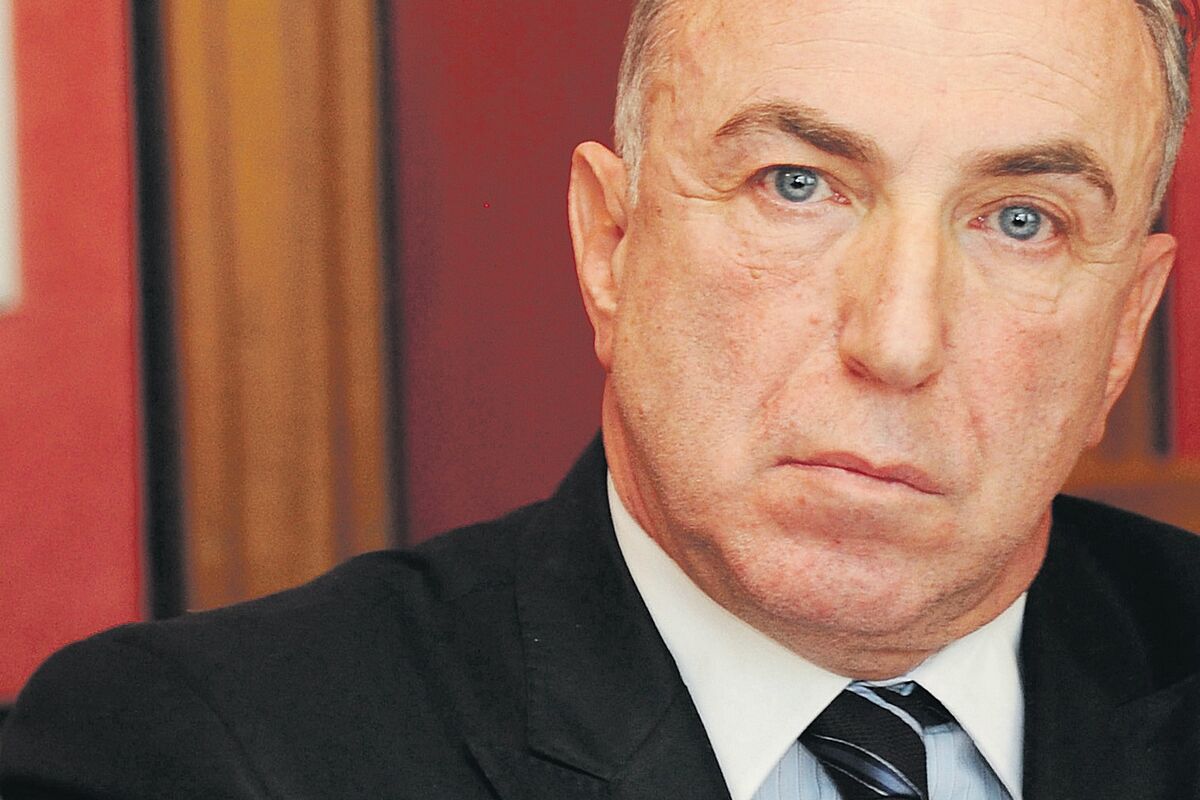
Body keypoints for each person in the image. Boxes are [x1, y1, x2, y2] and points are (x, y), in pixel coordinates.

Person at [3, 0, 1199, 797]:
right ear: (610, 247)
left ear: (1123, 331)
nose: (896, 339)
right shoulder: (201, 752)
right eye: (796, 184)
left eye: (1023, 220)